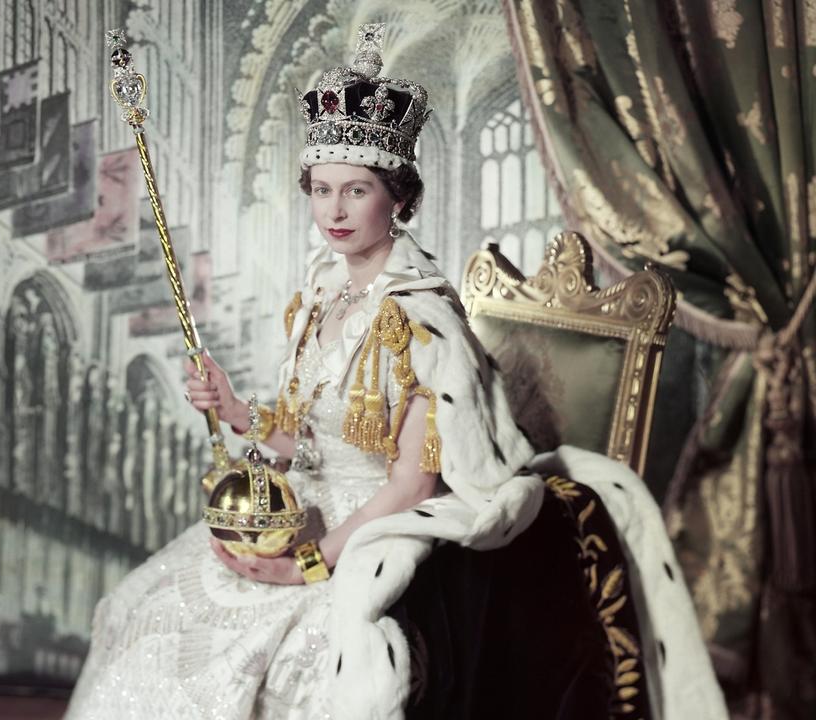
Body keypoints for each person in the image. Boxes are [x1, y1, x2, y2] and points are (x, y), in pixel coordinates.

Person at [66, 24, 723, 720]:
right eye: (322, 190)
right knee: (142, 608)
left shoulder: (422, 322)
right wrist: (238, 413)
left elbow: (412, 485)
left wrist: (309, 563)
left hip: (376, 532)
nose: (335, 212)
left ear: (398, 198)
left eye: (356, 191)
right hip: (299, 505)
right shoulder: (321, 293)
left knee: (284, 663)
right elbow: (305, 438)